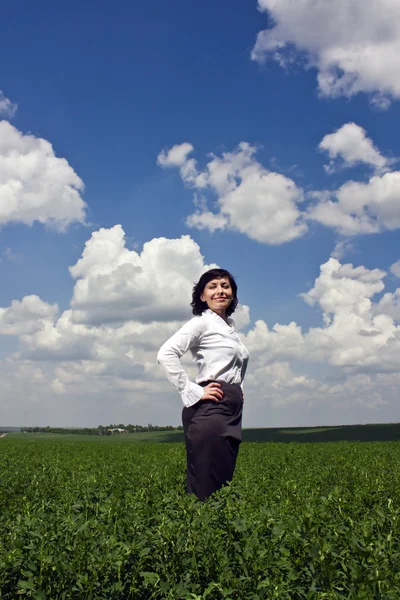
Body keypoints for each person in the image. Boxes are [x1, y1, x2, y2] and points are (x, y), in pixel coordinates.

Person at [157, 268, 249, 501]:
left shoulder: (229, 328)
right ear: (202, 296)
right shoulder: (201, 323)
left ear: (233, 294)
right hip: (211, 408)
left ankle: (216, 533)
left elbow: (236, 363)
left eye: (225, 286)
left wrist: (239, 387)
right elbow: (166, 353)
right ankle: (198, 533)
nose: (220, 291)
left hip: (230, 409)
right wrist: (192, 390)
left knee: (223, 480)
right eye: (213, 286)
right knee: (208, 483)